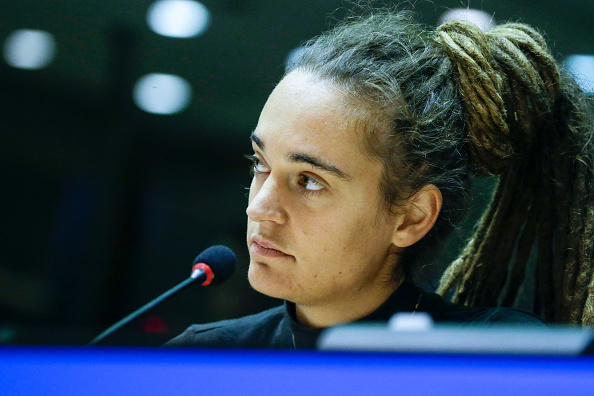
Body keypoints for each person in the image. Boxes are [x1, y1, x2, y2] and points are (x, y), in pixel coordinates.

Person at [167, 7, 594, 349]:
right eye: (261, 164)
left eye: (309, 181)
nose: (258, 207)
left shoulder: (499, 359)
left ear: (411, 217)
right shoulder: (199, 358)